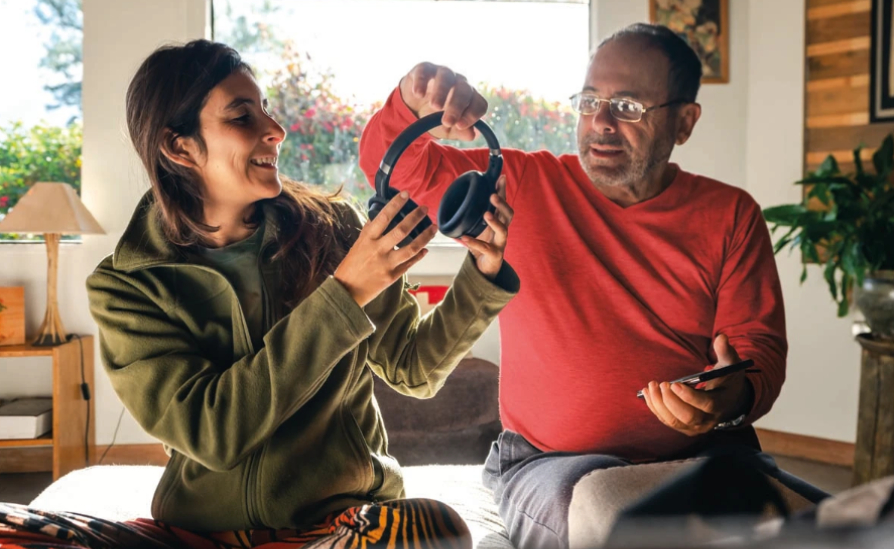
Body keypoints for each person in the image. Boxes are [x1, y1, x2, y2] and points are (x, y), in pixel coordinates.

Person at [0, 39, 519, 549]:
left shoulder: (336, 229)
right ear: (179, 147)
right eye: (242, 116)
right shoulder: (128, 285)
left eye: (266, 110)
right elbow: (213, 433)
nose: (276, 130)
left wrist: (482, 271)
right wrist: (345, 294)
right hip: (196, 535)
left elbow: (416, 367)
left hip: (338, 528)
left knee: (430, 529)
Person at [358, 23, 827, 549]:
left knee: (849, 524)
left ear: (684, 122)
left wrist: (730, 396)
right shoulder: (519, 183)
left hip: (710, 454)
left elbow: (758, 352)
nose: (600, 123)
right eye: (588, 102)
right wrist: (409, 101)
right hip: (553, 466)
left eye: (627, 107)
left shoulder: (731, 213)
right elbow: (392, 169)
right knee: (619, 522)